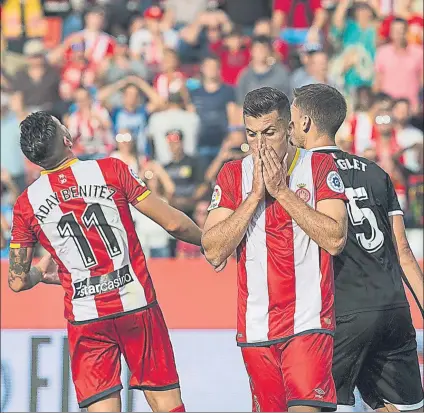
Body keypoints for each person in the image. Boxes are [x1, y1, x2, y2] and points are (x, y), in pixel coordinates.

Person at [8, 111, 202, 412]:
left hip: (86, 318)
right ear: (67, 139)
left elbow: (17, 281)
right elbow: (174, 225)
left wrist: (38, 273)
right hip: (136, 305)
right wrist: (211, 241)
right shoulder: (111, 170)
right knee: (166, 402)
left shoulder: (26, 204)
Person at [202, 87, 348, 412]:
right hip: (255, 328)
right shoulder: (232, 174)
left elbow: (336, 238)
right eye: (252, 135)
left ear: (289, 130)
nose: (260, 145)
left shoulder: (319, 166)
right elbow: (212, 249)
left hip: (308, 323)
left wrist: (281, 191)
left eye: (269, 133)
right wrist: (253, 197)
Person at [289, 83, 424, 412]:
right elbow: (403, 253)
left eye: (292, 119)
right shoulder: (376, 172)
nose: (290, 127)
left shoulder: (299, 174)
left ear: (306, 122)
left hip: (342, 312)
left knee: (306, 404)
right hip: (393, 307)